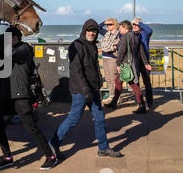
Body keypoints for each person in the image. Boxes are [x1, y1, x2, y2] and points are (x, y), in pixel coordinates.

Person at [49, 19, 123, 160]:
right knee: (74, 119)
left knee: (100, 118)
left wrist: (99, 80)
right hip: (80, 89)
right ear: (84, 31)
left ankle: (103, 148)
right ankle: (53, 143)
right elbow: (76, 71)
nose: (92, 33)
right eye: (89, 30)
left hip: (93, 88)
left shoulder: (93, 46)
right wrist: (85, 89)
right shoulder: (76, 46)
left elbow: (94, 66)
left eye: (94, 31)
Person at [0, 26, 58, 170]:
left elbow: (9, 54)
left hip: (22, 96)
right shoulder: (7, 52)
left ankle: (50, 156)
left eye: (9, 39)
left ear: (16, 38)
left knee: (31, 129)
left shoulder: (24, 49)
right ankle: (7, 157)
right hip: (8, 96)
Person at [105, 20, 152, 114]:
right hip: (133, 63)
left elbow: (121, 51)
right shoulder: (134, 36)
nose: (119, 29)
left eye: (120, 27)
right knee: (118, 81)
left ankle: (141, 105)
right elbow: (141, 50)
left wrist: (118, 64)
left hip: (126, 65)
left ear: (125, 28)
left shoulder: (125, 37)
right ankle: (114, 102)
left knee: (133, 85)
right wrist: (146, 63)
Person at [132, 17, 154, 108]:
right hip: (135, 62)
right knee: (136, 82)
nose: (135, 26)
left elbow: (150, 30)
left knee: (147, 82)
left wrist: (139, 23)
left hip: (145, 62)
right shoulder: (131, 34)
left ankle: (149, 101)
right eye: (133, 25)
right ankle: (140, 101)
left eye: (136, 25)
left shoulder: (145, 33)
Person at [98, 18, 120, 104]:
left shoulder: (119, 34)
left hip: (113, 58)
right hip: (105, 57)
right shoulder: (106, 33)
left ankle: (117, 97)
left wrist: (115, 47)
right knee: (108, 78)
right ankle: (111, 96)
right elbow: (98, 28)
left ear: (115, 25)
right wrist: (104, 22)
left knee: (114, 79)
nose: (107, 26)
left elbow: (122, 43)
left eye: (110, 24)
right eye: (107, 24)